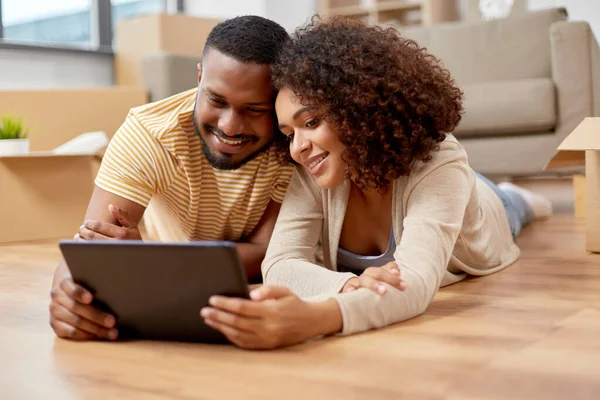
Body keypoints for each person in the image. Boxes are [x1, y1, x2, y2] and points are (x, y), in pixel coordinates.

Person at [199, 17, 553, 349]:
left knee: (513, 208)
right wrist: (349, 284)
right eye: (288, 133)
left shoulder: (440, 159)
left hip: (482, 208)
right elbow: (279, 265)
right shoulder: (311, 164)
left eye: (311, 122)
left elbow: (415, 284)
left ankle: (515, 194)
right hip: (441, 188)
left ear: (355, 107)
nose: (298, 147)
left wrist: (315, 318)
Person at [49, 16, 294, 341]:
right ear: (199, 78)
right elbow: (92, 245)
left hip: (250, 302)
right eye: (216, 100)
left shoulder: (292, 142)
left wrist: (150, 260)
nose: (230, 126)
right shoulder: (148, 133)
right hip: (162, 294)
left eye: (253, 110)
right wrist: (65, 294)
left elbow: (269, 253)